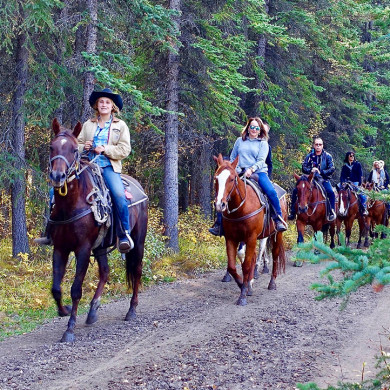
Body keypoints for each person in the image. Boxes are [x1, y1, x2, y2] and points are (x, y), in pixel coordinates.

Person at [77, 88, 134, 253]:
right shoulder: (88, 124)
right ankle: (52, 231)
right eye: (101, 101)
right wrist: (83, 147)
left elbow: (125, 149)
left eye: (107, 102)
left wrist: (105, 149)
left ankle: (124, 234)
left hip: (109, 167)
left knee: (118, 195)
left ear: (112, 106)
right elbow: (77, 144)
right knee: (58, 190)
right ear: (96, 105)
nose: (104, 104)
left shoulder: (120, 125)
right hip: (87, 166)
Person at [209, 117, 287, 235]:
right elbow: (232, 158)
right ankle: (219, 224)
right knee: (223, 192)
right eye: (252, 127)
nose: (254, 130)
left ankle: (278, 219)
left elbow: (261, 160)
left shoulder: (263, 143)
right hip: (239, 171)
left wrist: (251, 169)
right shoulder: (239, 141)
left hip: (258, 172)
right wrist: (238, 169)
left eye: (257, 128)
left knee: (271, 191)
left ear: (260, 130)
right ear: (248, 128)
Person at [288, 137, 336, 222]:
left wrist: (321, 172)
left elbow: (332, 168)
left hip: (323, 178)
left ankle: (331, 211)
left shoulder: (328, 156)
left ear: (322, 146)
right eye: (316, 144)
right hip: (309, 179)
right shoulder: (309, 156)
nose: (318, 146)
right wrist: (311, 170)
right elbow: (304, 167)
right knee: (296, 190)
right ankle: (293, 211)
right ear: (314, 145)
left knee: (330, 192)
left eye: (320, 144)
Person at [339, 151, 368, 215]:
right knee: (338, 190)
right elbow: (342, 175)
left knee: (361, 194)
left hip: (355, 182)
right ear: (348, 156)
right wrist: (342, 182)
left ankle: (364, 208)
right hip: (346, 182)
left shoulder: (357, 164)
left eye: (353, 156)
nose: (352, 157)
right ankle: (337, 208)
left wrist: (360, 183)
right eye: (350, 156)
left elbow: (360, 174)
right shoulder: (344, 165)